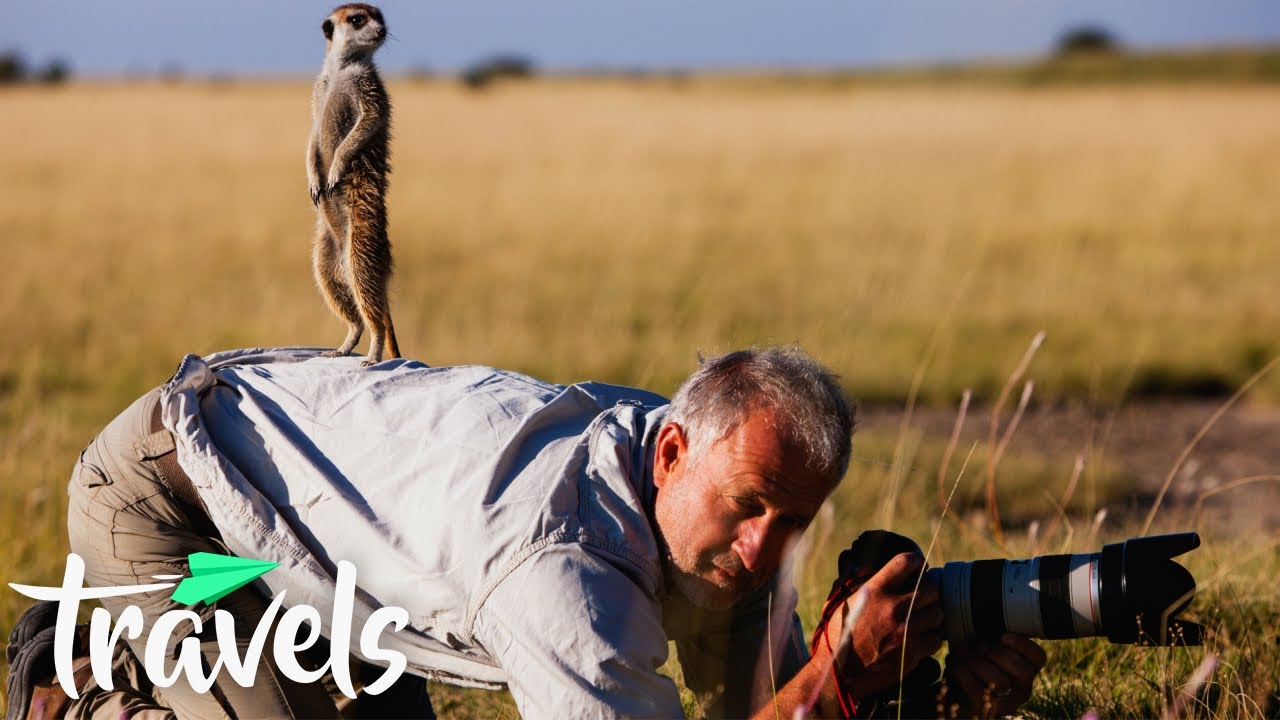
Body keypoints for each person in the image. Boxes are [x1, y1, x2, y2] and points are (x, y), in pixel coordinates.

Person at [8, 346, 1044, 719]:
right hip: (173, 500)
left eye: (798, 523)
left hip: (318, 531)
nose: (769, 553)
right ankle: (73, 689)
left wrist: (936, 694)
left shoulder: (673, 470)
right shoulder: (563, 577)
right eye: (750, 509)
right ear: (674, 453)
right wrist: (831, 686)